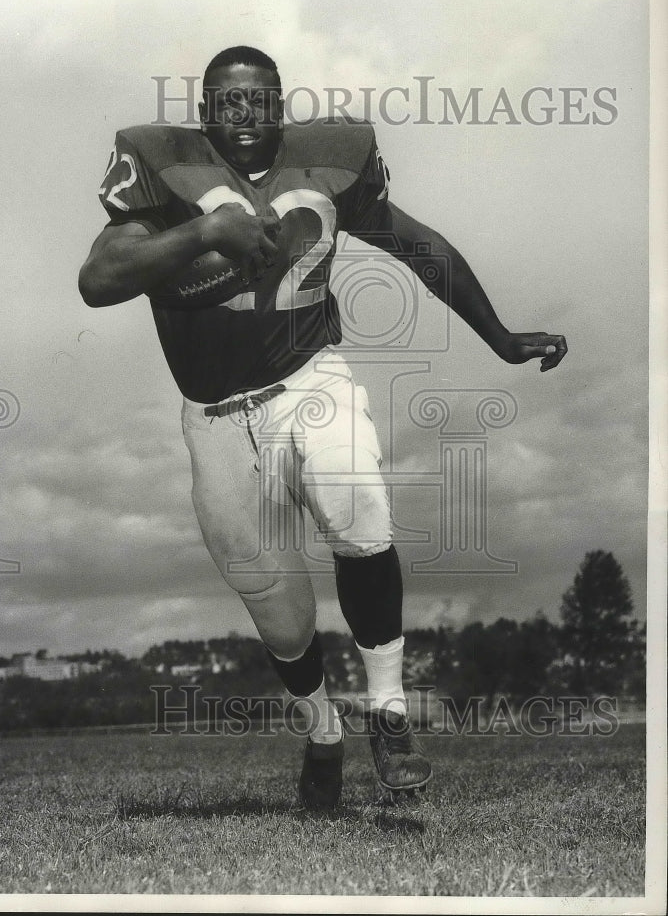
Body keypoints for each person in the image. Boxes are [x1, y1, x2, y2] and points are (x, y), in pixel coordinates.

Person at [79, 45, 567, 811]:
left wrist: (501, 338)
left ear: (283, 105)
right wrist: (206, 235)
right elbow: (98, 281)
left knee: (359, 499)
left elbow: (421, 249)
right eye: (229, 103)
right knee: (277, 610)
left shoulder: (332, 161)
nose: (247, 117)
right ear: (205, 111)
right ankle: (323, 732)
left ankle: (390, 713)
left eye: (261, 101)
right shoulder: (160, 165)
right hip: (213, 415)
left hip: (309, 377)